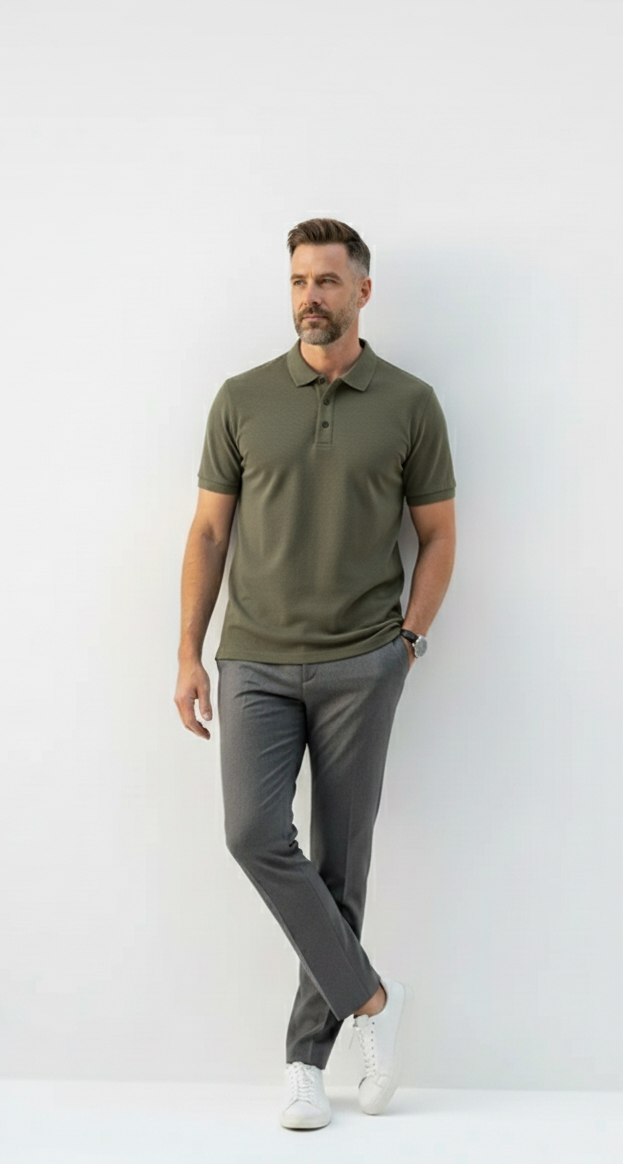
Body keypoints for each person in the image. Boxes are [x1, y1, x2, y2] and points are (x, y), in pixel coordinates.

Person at [174, 218, 456, 1130]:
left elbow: (439, 535)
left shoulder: (410, 403)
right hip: (253, 657)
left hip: (362, 661)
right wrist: (187, 651)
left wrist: (407, 644)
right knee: (254, 834)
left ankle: (305, 1062)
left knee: (340, 862)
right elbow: (208, 531)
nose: (311, 297)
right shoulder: (242, 398)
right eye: (299, 281)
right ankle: (374, 1000)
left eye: (328, 281)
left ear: (362, 292)